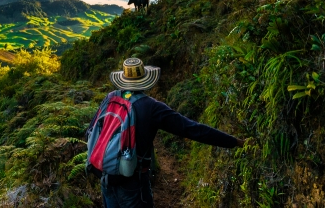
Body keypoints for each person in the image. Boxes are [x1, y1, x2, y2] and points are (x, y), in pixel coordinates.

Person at [94, 58, 244, 208]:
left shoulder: (110, 97)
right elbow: (192, 129)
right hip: (134, 181)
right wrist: (234, 142)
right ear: (145, 80)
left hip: (106, 177)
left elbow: (91, 132)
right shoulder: (152, 107)